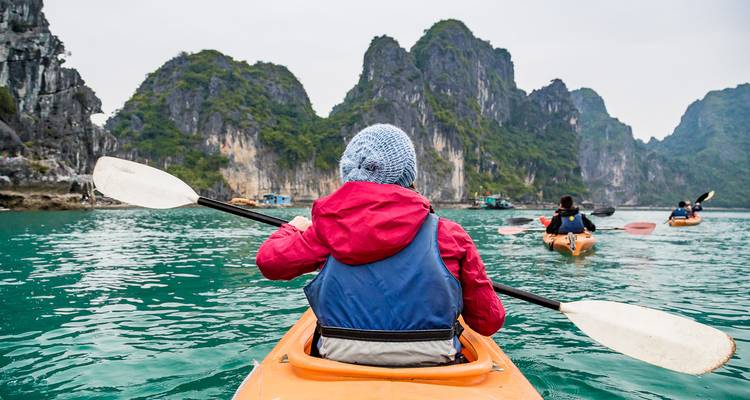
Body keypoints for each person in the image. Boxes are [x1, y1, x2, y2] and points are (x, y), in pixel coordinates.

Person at [255, 124, 504, 367]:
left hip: (338, 360)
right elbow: (488, 322)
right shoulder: (450, 234)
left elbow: (269, 263)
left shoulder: (325, 230)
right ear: (408, 174)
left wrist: (293, 228)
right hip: (435, 360)